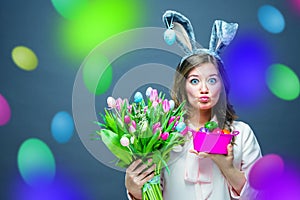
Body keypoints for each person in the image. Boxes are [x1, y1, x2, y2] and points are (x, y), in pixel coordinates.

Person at [125, 10, 262, 200]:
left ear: (223, 85)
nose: (204, 89)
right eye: (195, 81)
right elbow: (152, 193)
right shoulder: (163, 137)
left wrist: (226, 167)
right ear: (183, 86)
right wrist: (134, 189)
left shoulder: (242, 135)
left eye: (212, 80)